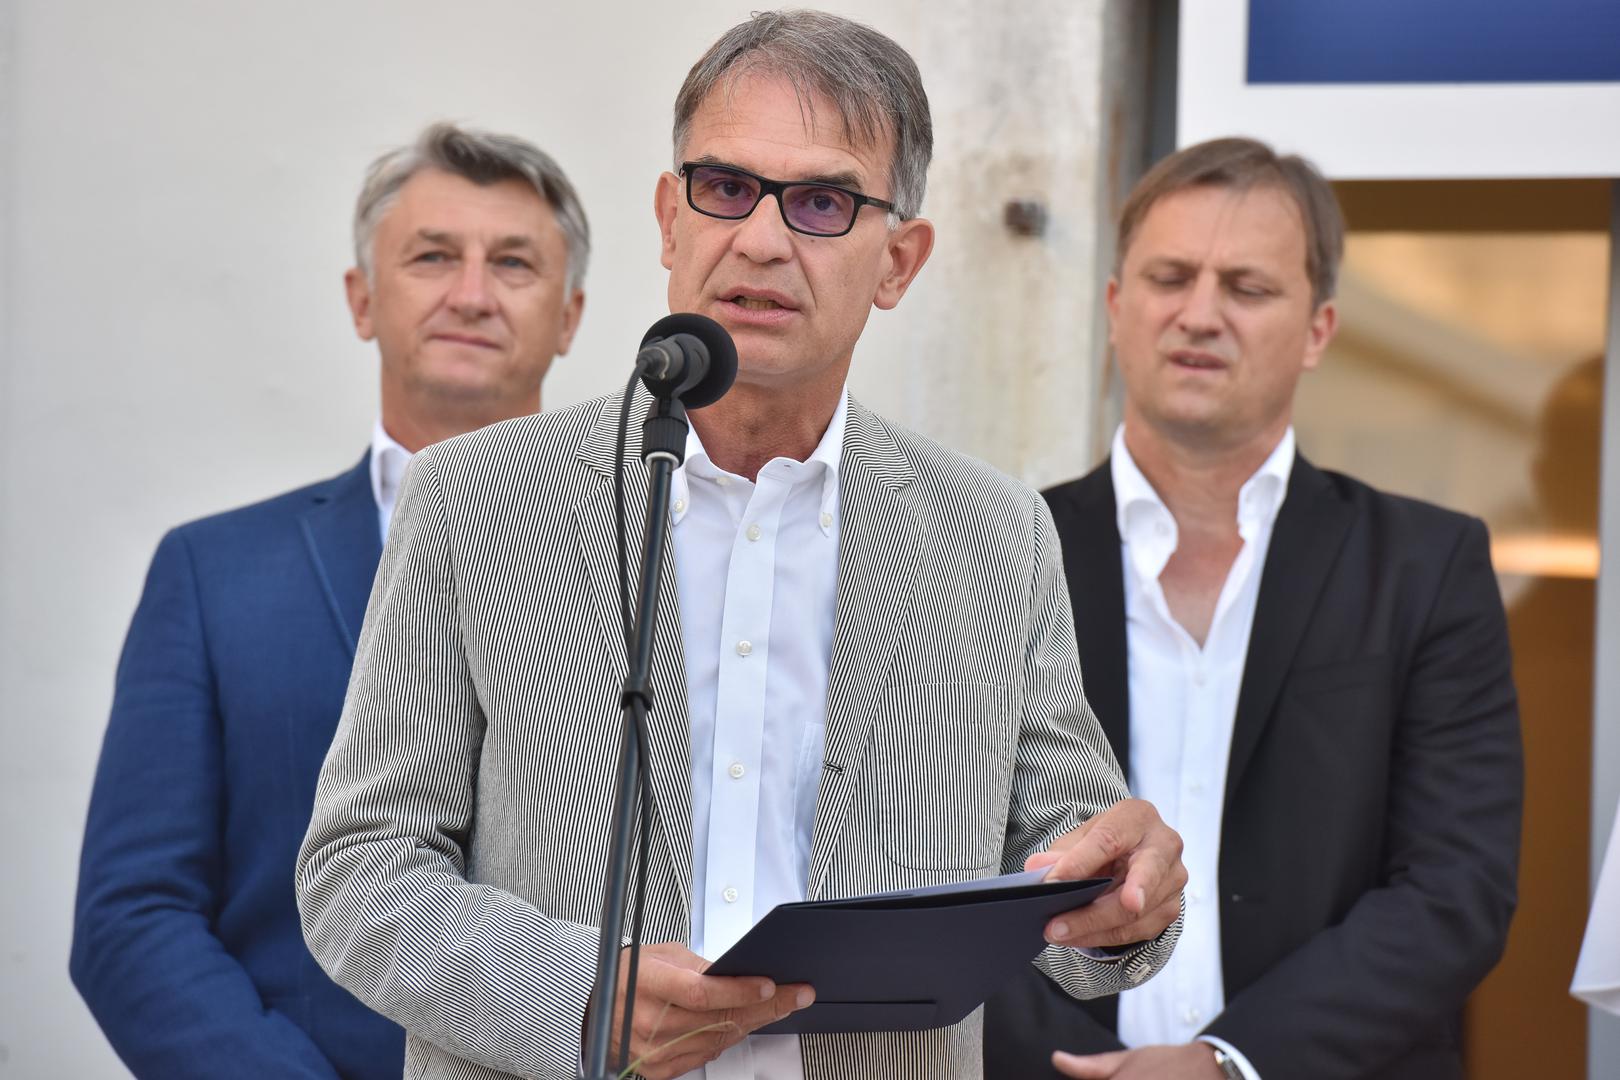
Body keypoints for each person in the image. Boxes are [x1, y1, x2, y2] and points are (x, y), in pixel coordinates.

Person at [295, 12, 1187, 1080]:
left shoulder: (994, 534)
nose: (760, 239)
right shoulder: (475, 500)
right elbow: (361, 869)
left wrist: (1128, 893)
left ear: (899, 261)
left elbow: (1076, 880)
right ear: (669, 220)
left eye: (821, 203)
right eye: (725, 187)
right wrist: (580, 997)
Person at [983, 136, 1523, 1080]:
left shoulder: (1425, 566)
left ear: (1318, 329)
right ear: (1115, 307)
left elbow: (1455, 887)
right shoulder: (992, 554)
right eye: (1170, 277)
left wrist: (1228, 1062)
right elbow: (925, 856)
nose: (1199, 314)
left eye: (1247, 287)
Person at [70, 122, 589, 1080]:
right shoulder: (214, 574)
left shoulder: (653, 565)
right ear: (362, 299)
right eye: (432, 256)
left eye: (514, 263)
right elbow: (134, 917)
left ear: (570, 316)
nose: (472, 293)